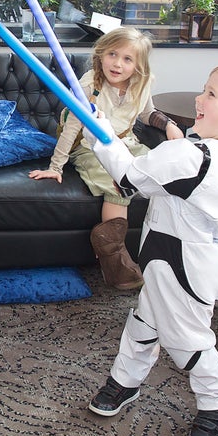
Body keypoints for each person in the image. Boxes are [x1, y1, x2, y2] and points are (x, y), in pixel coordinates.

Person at [84, 62, 218, 436]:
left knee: (186, 339)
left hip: (184, 262)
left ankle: (217, 405)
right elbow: (176, 162)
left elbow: (130, 178)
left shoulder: (195, 156)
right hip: (166, 251)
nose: (198, 99)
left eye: (211, 94)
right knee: (145, 321)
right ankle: (125, 380)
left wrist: (99, 131)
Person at [29, 27, 183, 289]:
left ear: (138, 66)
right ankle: (114, 261)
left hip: (126, 141)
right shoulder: (89, 86)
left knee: (164, 172)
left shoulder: (142, 83)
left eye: (127, 59)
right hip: (90, 147)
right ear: (101, 55)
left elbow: (147, 114)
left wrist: (168, 124)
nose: (117, 64)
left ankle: (196, 230)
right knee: (119, 185)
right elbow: (72, 129)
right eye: (112, 54)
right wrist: (56, 167)